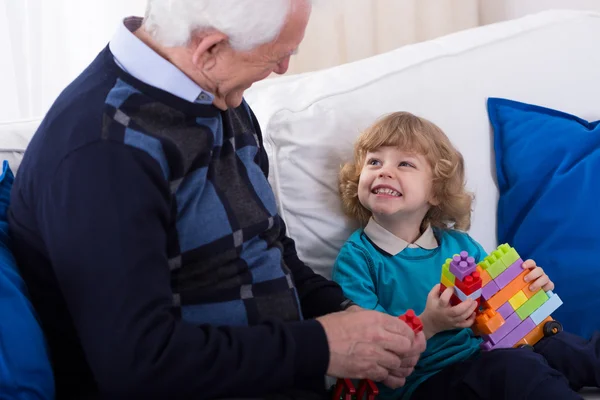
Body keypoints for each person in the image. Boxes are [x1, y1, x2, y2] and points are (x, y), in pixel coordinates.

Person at [7, 1, 426, 399]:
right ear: (210, 48)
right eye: (278, 54)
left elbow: (271, 248)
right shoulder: (104, 152)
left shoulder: (215, 94)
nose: (283, 68)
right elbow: (139, 365)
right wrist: (323, 344)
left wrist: (350, 315)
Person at [332, 111, 600, 400]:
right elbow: (370, 347)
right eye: (374, 161)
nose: (384, 171)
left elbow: (496, 311)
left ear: (435, 192)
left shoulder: (460, 246)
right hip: (425, 381)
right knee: (516, 368)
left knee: (558, 343)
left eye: (405, 163)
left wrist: (528, 290)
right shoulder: (358, 259)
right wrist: (431, 323)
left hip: (487, 354)